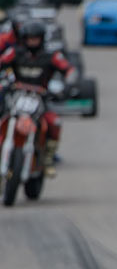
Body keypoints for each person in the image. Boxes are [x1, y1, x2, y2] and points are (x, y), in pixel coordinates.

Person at [0, 21, 76, 178]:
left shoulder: (51, 56)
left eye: (35, 38)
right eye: (29, 38)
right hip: (15, 98)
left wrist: (68, 85)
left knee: (54, 122)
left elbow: (69, 69)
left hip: (40, 100)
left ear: (42, 39)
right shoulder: (15, 52)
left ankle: (47, 159)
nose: (32, 42)